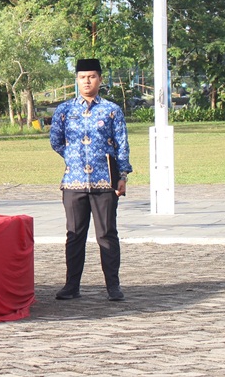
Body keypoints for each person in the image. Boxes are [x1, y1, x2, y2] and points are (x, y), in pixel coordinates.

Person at [49, 58, 132, 302]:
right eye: (83, 77)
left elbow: (122, 144)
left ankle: (113, 286)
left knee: (107, 234)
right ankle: (71, 286)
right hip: (73, 182)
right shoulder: (64, 110)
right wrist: (73, 157)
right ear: (76, 79)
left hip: (104, 182)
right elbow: (55, 140)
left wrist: (122, 175)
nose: (87, 81)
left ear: (100, 80)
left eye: (92, 77)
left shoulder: (111, 110)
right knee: (74, 234)